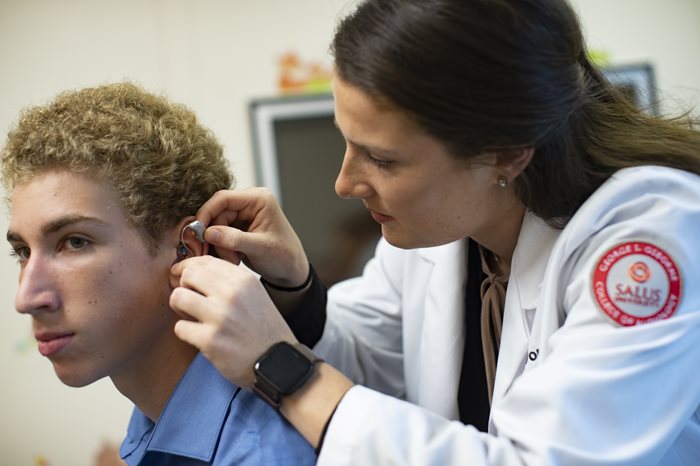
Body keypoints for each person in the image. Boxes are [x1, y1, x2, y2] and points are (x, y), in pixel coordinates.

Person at [169, 0, 700, 464]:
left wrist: (280, 370)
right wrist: (295, 287)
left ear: (507, 153)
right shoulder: (443, 232)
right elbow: (370, 361)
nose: (344, 183)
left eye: (381, 158)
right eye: (348, 142)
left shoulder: (649, 241)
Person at [2, 82, 316, 466]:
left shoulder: (264, 453)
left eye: (75, 242)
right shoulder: (155, 427)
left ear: (187, 249)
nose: (26, 298)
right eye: (22, 251)